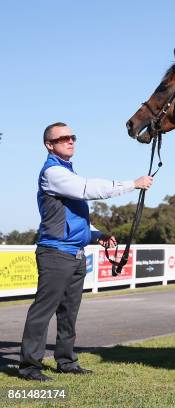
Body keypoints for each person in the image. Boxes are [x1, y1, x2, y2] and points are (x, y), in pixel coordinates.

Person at [19, 122, 154, 381]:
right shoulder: (54, 173)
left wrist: (96, 235)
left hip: (75, 255)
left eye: (72, 137)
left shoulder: (66, 172)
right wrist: (132, 184)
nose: (70, 141)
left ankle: (67, 361)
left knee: (69, 313)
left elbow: (75, 216)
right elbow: (88, 189)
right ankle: (29, 367)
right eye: (63, 138)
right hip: (56, 254)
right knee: (43, 311)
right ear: (50, 145)